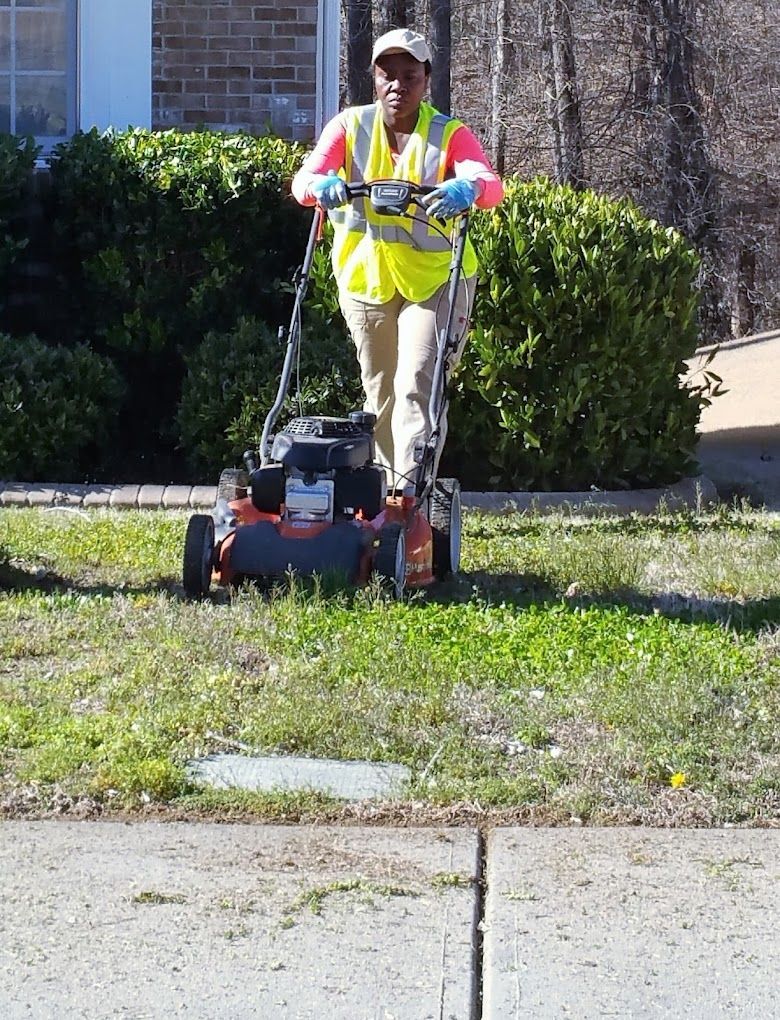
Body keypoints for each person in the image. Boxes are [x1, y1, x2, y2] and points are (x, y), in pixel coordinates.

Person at [291, 28, 504, 493]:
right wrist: (318, 187)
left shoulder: (450, 134)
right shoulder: (349, 128)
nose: (398, 86)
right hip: (366, 283)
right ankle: (385, 496)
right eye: (388, 75)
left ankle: (410, 496)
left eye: (410, 76)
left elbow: (489, 183)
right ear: (374, 79)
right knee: (381, 392)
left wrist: (468, 187)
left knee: (417, 386)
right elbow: (305, 179)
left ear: (426, 80)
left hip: (436, 283)